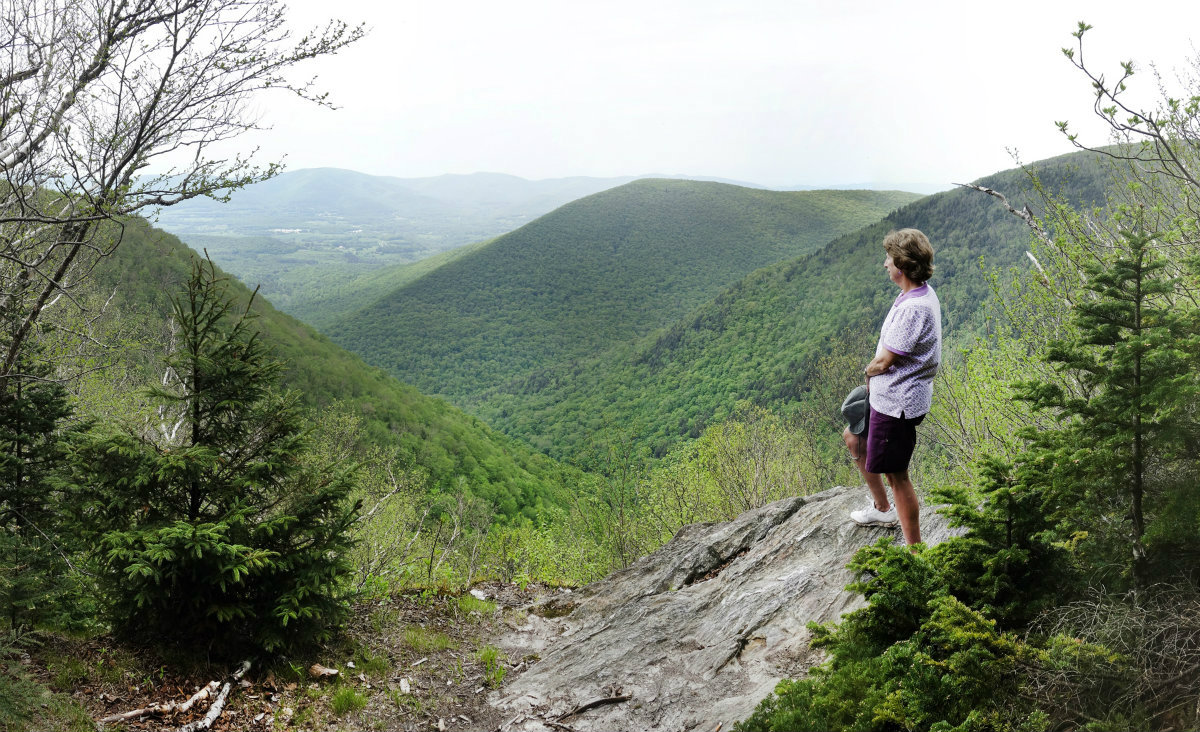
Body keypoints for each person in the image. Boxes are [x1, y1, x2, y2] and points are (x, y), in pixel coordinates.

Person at [848, 228, 941, 546]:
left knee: (898, 476)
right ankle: (882, 507)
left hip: (897, 403)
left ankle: (916, 553)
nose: (885, 264)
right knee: (853, 438)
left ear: (901, 265)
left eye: (889, 258)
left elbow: (885, 361)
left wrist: (868, 370)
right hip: (888, 397)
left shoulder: (915, 307)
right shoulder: (917, 293)